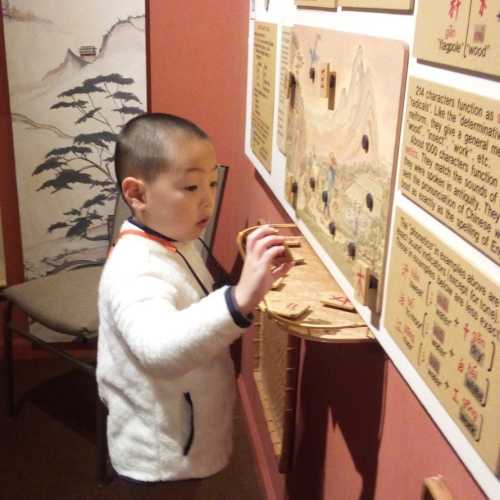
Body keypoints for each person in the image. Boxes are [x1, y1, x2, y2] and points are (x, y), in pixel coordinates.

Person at [96, 113, 293, 482]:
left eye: (213, 184)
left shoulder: (172, 239)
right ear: (137, 194)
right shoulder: (134, 268)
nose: (207, 201)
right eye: (190, 188)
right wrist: (238, 301)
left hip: (181, 435)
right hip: (161, 457)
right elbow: (159, 348)